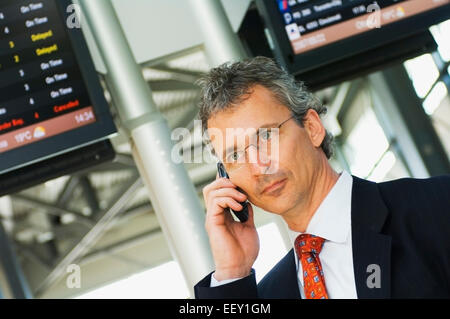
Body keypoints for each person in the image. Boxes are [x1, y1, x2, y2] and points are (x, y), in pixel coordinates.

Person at [193, 56, 450, 299]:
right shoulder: (268, 293)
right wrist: (231, 272)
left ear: (313, 128)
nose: (258, 167)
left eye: (266, 136)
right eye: (235, 155)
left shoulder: (437, 206)